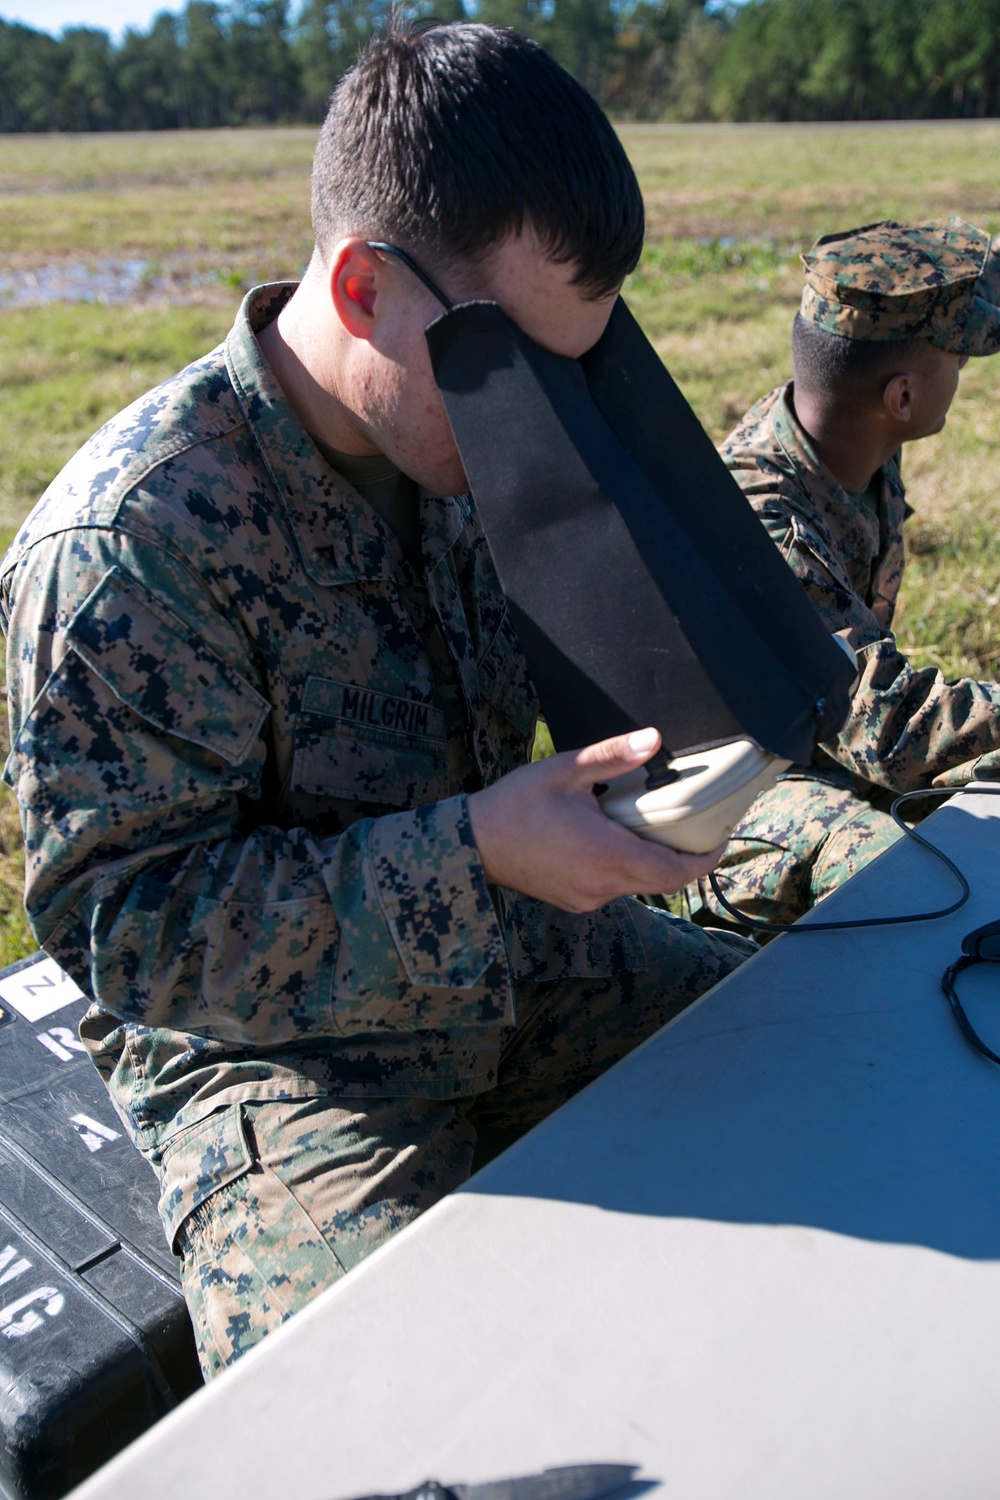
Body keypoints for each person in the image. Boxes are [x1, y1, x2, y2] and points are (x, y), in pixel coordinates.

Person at [0, 22, 752, 1379]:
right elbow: (127, 930)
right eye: (523, 372)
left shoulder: (457, 451)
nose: (558, 421)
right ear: (360, 289)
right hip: (284, 1062)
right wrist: (473, 856)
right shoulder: (130, 541)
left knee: (809, 1066)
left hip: (517, 947)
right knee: (377, 1403)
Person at [684, 217, 1000, 933]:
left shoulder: (846, 432)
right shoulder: (764, 524)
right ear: (904, 399)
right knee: (905, 878)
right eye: (957, 360)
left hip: (822, 748)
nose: (965, 369)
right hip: (721, 812)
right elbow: (887, 730)